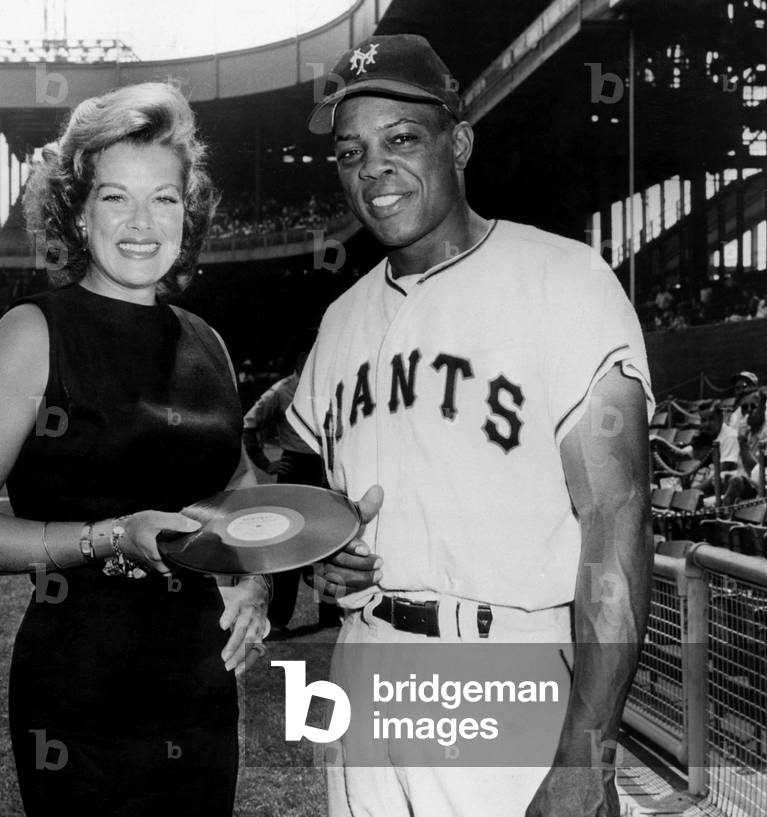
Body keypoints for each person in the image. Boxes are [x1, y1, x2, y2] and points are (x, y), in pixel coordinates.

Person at [287, 34, 654, 817]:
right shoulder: (340, 320)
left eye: (400, 141)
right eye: (350, 153)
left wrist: (586, 750)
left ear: (458, 142)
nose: (372, 170)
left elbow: (616, 526)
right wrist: (332, 561)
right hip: (364, 663)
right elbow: (319, 496)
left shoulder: (562, 279)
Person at [0, 82, 269, 817]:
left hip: (201, 681)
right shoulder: (32, 334)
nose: (142, 223)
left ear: (187, 208)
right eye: (115, 198)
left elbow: (239, 485)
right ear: (78, 212)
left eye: (164, 199)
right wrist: (108, 536)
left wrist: (252, 578)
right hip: (82, 692)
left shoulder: (208, 341)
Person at [241, 343, 337, 633]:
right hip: (295, 469)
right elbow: (247, 425)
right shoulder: (281, 391)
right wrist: (265, 464)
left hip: (325, 470)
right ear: (300, 358)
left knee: (328, 544)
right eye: (311, 355)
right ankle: (279, 619)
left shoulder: (329, 384)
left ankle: (330, 616)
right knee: (290, 548)